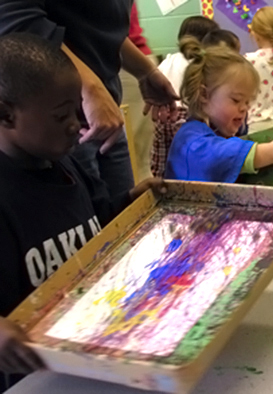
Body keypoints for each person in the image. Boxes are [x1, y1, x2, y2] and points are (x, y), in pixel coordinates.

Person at [0, 34, 165, 387]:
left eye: (78, 110)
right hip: (32, 378)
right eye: (62, 116)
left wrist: (130, 204)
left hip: (91, 350)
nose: (77, 124)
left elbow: (96, 227)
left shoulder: (68, 165)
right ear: (5, 114)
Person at [0, 0, 178, 199]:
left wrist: (145, 71)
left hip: (104, 114)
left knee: (117, 212)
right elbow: (16, 18)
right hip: (59, 125)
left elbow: (93, 27)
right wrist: (90, 89)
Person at [165, 38, 273, 182]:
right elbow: (216, 155)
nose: (244, 108)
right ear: (204, 95)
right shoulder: (190, 137)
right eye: (236, 100)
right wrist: (271, 152)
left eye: (248, 101)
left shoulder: (216, 130)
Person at [151, 16, 220, 178]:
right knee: (195, 163)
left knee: (166, 164)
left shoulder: (168, 60)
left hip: (164, 117)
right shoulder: (200, 63)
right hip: (190, 117)